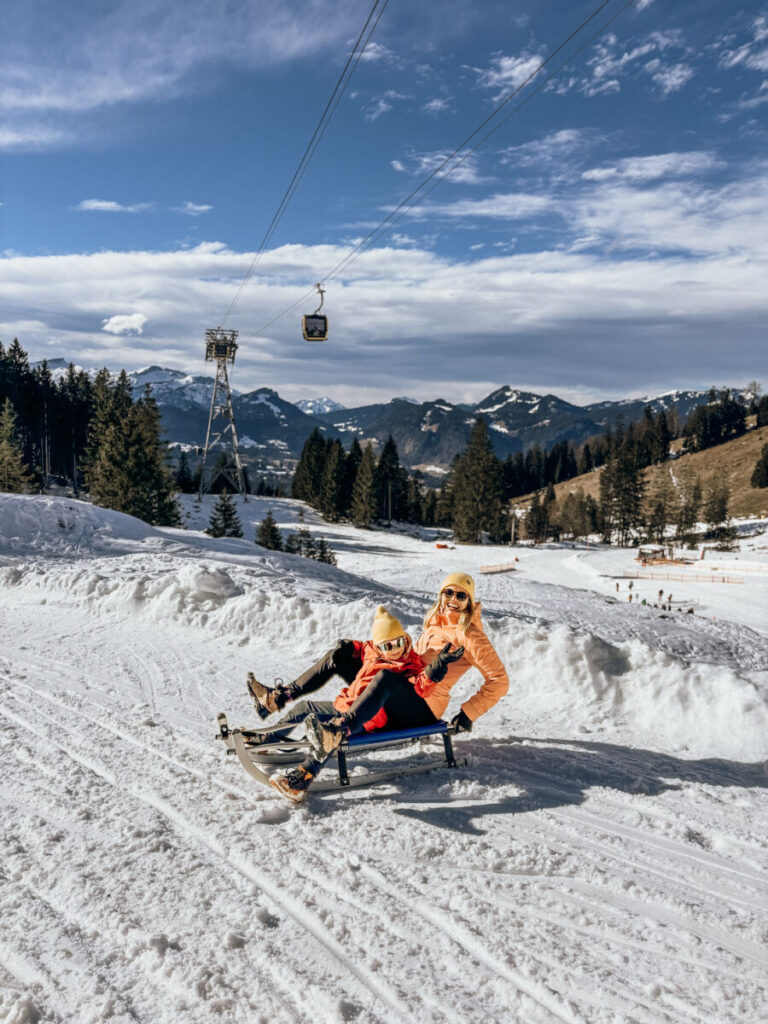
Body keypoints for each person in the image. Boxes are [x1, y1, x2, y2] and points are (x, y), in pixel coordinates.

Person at [247, 606, 463, 802]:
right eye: (388, 646)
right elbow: (361, 648)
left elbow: (420, 688)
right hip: (349, 706)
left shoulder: (408, 663)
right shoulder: (371, 649)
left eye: (399, 642)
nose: (396, 649)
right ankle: (271, 732)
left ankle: (302, 779)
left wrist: (436, 669)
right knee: (306, 707)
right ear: (378, 646)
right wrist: (346, 647)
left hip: (372, 717)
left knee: (332, 731)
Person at [412, 572, 509, 735]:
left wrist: (468, 714)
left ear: (468, 602)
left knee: (383, 678)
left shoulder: (468, 634)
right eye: (449, 592)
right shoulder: (436, 622)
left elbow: (499, 680)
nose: (453, 599)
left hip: (424, 706)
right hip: (409, 691)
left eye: (461, 595)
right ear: (441, 594)